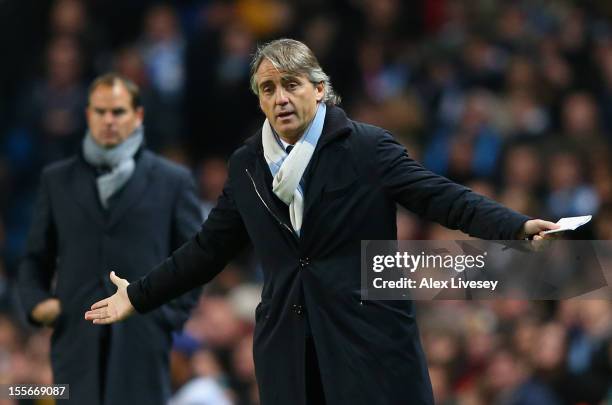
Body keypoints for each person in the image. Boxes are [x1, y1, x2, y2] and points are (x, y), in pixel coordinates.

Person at [85, 39, 559, 405]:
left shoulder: (367, 148)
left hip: (370, 347)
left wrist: (516, 227)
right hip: (288, 355)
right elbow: (208, 249)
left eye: (291, 84)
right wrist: (140, 295)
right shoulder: (246, 164)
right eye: (268, 89)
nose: (281, 98)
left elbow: (443, 199)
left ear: (319, 88)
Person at [19, 73, 203, 405]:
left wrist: (164, 317)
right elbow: (35, 258)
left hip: (143, 339)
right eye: (100, 111)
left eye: (118, 111)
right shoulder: (56, 180)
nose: (108, 120)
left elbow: (195, 258)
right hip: (75, 337)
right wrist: (36, 304)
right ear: (88, 114)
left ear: (138, 116)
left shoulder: (173, 181)